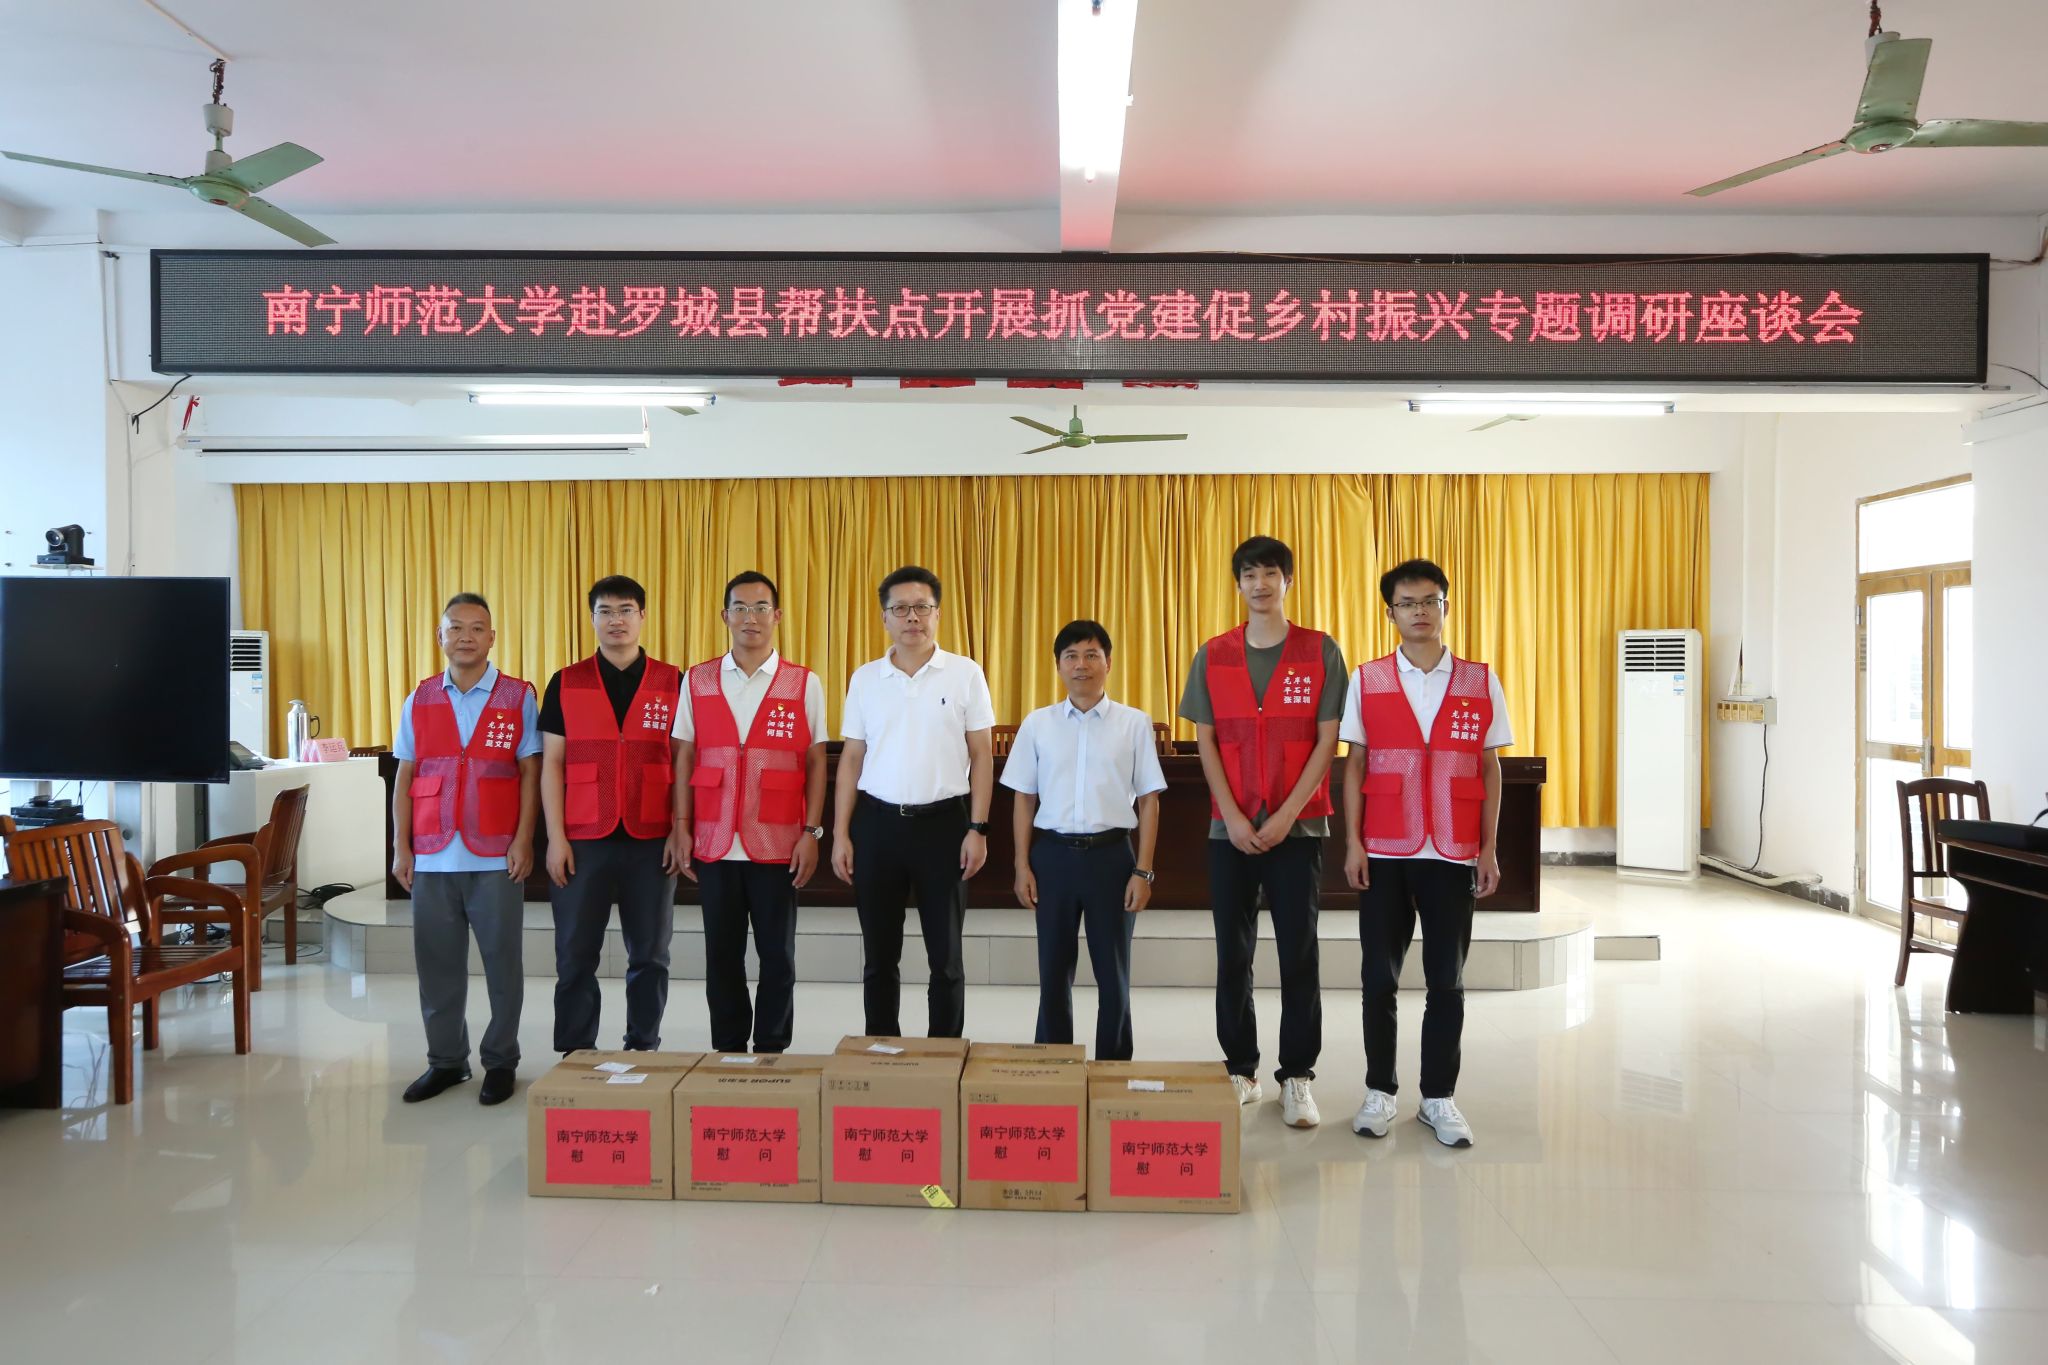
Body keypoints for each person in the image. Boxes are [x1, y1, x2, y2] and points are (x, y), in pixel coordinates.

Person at [1340, 558, 1513, 1149]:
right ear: (1390, 612)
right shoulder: (1367, 679)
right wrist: (1354, 843)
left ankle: (1438, 1097)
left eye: (1429, 601)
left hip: (1453, 849)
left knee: (1447, 980)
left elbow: (1489, 767)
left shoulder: (1479, 680)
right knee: (1378, 978)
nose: (1419, 612)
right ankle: (1380, 1090)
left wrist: (1488, 848)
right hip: (1385, 849)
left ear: (1445, 606)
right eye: (1406, 603)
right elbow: (1356, 764)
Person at [1178, 535, 1345, 1127]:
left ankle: (1297, 1076)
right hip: (1230, 832)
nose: (1260, 584)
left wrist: (1285, 816)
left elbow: (1327, 741)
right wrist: (1233, 815)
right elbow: (1206, 741)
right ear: (1238, 584)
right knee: (1233, 953)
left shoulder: (1319, 650)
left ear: (1287, 581)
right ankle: (1240, 1069)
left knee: (1299, 953)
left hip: (1297, 830)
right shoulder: (1214, 654)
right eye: (1249, 574)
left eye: (1270, 573)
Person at [665, 571, 828, 1054]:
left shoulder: (804, 682)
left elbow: (816, 760)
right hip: (714, 840)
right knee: (722, 955)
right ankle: (729, 1048)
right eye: (740, 607)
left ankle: (773, 1047)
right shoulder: (698, 679)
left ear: (776, 616)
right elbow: (684, 754)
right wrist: (681, 827)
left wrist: (812, 831)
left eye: (760, 608)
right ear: (725, 616)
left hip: (778, 840)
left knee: (777, 955)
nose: (750, 617)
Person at [390, 592, 541, 1106]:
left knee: (502, 966)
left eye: (477, 628)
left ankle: (501, 1061)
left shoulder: (518, 696)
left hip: (496, 853)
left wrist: (524, 839)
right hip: (432, 853)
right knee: (437, 967)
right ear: (440, 636)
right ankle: (446, 1061)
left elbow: (530, 772)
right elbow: (406, 774)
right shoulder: (420, 698)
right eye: (455, 627)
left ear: (492, 638)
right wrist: (402, 846)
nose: (466, 637)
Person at [831, 565, 995, 1038]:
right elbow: (852, 758)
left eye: (922, 607)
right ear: (885, 618)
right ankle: (882, 1049)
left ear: (937, 614)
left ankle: (944, 1053)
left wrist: (978, 829)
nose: (912, 618)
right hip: (877, 826)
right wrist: (840, 833)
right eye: (900, 608)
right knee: (879, 955)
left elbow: (982, 755)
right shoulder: (866, 679)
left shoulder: (965, 674)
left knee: (945, 957)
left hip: (944, 827)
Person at [1005, 620, 1165, 1061]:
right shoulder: (1038, 724)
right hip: (1052, 858)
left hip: (1111, 859)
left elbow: (1149, 801)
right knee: (1053, 973)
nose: (1082, 665)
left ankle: (1113, 1067)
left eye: (1092, 655)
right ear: (1058, 665)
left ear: (1108, 663)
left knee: (1113, 975)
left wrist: (1143, 871)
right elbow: (1023, 798)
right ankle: (1053, 1067)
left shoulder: (1133, 724)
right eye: (1071, 656)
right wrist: (1021, 864)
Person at [539, 575, 682, 1054]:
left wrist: (679, 830)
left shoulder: (673, 681)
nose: (616, 620)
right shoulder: (566, 681)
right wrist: (556, 838)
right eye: (605, 611)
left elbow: (684, 761)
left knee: (651, 955)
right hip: (583, 837)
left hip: (651, 836)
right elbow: (552, 763)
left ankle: (643, 1046)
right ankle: (576, 1052)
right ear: (592, 618)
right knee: (575, 953)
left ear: (642, 616)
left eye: (625, 610)